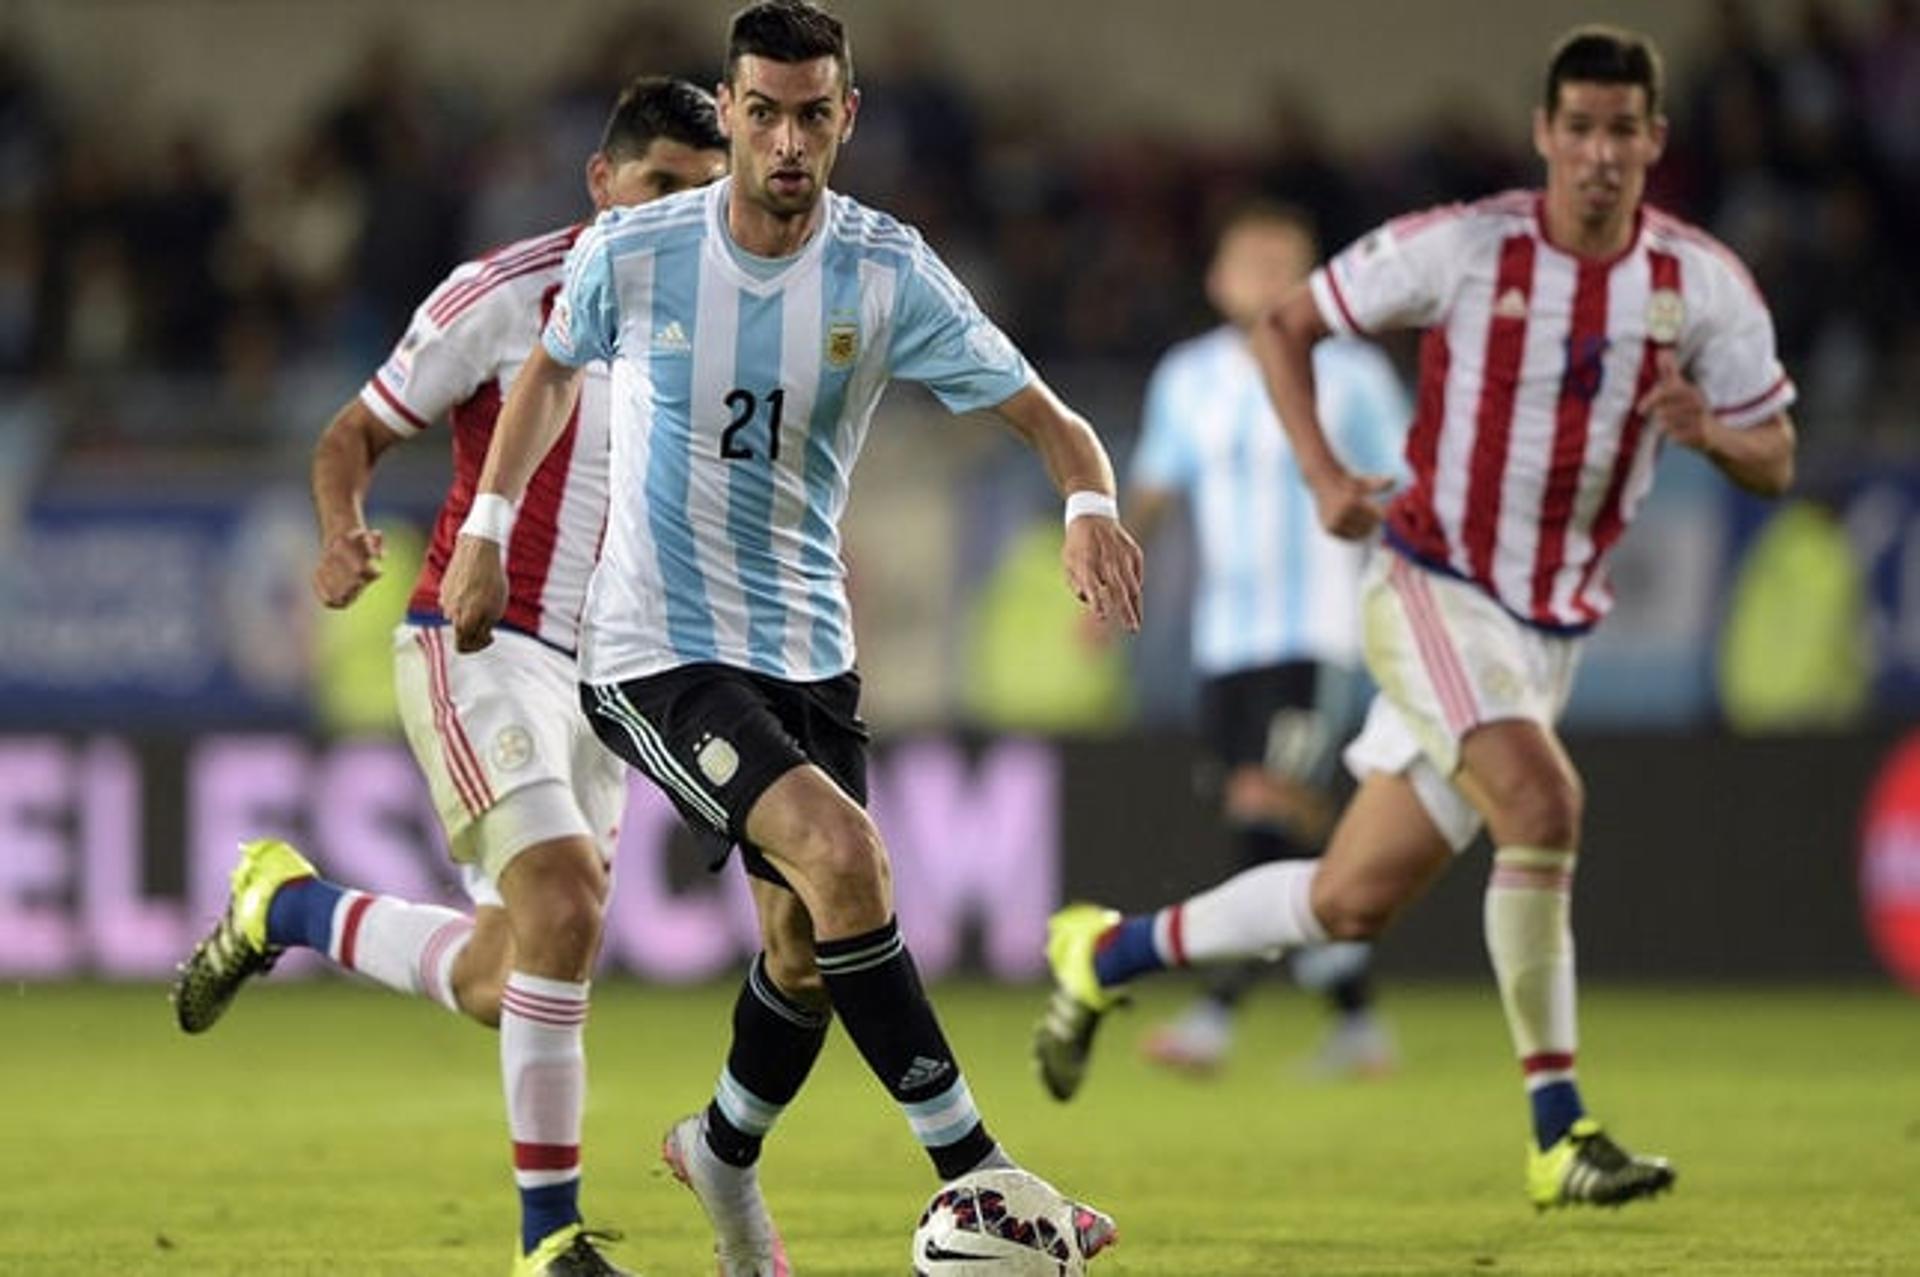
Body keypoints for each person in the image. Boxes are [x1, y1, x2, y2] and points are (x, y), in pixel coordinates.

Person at [1035, 25, 1796, 1211]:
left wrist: (1714, 433)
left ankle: (1103, 951)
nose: (1600, 153)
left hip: (1548, 634)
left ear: (1654, 140)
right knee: (1543, 804)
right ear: (1547, 133)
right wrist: (1331, 476)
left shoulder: (1699, 283)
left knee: (1345, 896)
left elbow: (1778, 450)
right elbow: (1288, 323)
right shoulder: (1468, 246)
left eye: (1623, 132)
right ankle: (1561, 1126)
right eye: (1579, 128)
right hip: (1432, 585)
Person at [440, 4, 1140, 1273]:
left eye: (813, 114)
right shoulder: (638, 250)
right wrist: (488, 525)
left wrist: (1090, 505)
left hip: (809, 647)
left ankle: (720, 1146)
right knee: (846, 854)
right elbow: (547, 371)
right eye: (761, 112)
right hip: (654, 644)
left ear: (846, 118)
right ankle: (979, 1172)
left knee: (806, 952)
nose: (786, 139)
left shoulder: (886, 272)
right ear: (731, 109)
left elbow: (1053, 419)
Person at [171, 79, 729, 1277]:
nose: (682, 214)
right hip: (483, 640)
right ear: (602, 183)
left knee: (508, 971)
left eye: (704, 194)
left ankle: (287, 906)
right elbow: (354, 433)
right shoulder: (506, 293)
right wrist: (338, 532)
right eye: (660, 188)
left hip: (618, 679)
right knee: (566, 904)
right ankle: (552, 1244)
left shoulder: (726, 316)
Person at [1109, 200, 1406, 1082]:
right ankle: (1356, 1020)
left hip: (1319, 633)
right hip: (1224, 644)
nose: (1270, 275)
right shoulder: (1189, 377)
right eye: (1253, 259)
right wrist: (1109, 578)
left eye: (1288, 260)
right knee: (1290, 836)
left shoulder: (1350, 376)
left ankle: (1214, 1013)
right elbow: (1157, 490)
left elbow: (1405, 486)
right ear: (1218, 278)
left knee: (1263, 808)